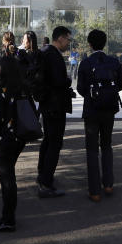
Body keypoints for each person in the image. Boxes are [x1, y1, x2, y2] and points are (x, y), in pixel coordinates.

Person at [0, 32, 31, 232]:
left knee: (7, 178)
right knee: (9, 174)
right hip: (20, 137)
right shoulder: (23, 89)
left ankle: (8, 219)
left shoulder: (1, 92)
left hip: (4, 138)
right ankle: (9, 216)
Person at [76, 29, 122, 201]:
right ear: (104, 43)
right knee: (106, 145)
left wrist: (94, 95)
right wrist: (108, 93)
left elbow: (81, 88)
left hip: (91, 109)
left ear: (90, 44)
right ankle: (109, 184)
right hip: (109, 108)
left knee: (91, 148)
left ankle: (94, 190)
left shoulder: (86, 63)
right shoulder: (113, 61)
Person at [37, 26, 73, 198]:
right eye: (68, 39)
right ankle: (46, 182)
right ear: (60, 38)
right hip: (55, 104)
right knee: (55, 143)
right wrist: (67, 80)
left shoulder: (45, 52)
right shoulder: (53, 55)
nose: (68, 43)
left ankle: (42, 174)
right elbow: (58, 81)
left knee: (48, 139)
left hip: (46, 103)